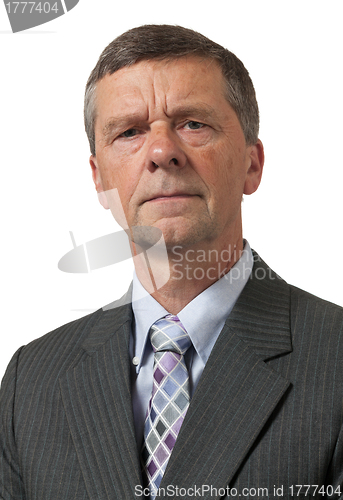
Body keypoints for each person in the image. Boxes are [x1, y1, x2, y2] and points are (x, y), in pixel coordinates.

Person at [0, 24, 342, 500]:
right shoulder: (31, 384)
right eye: (130, 132)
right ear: (100, 181)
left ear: (252, 163)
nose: (162, 152)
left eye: (193, 124)